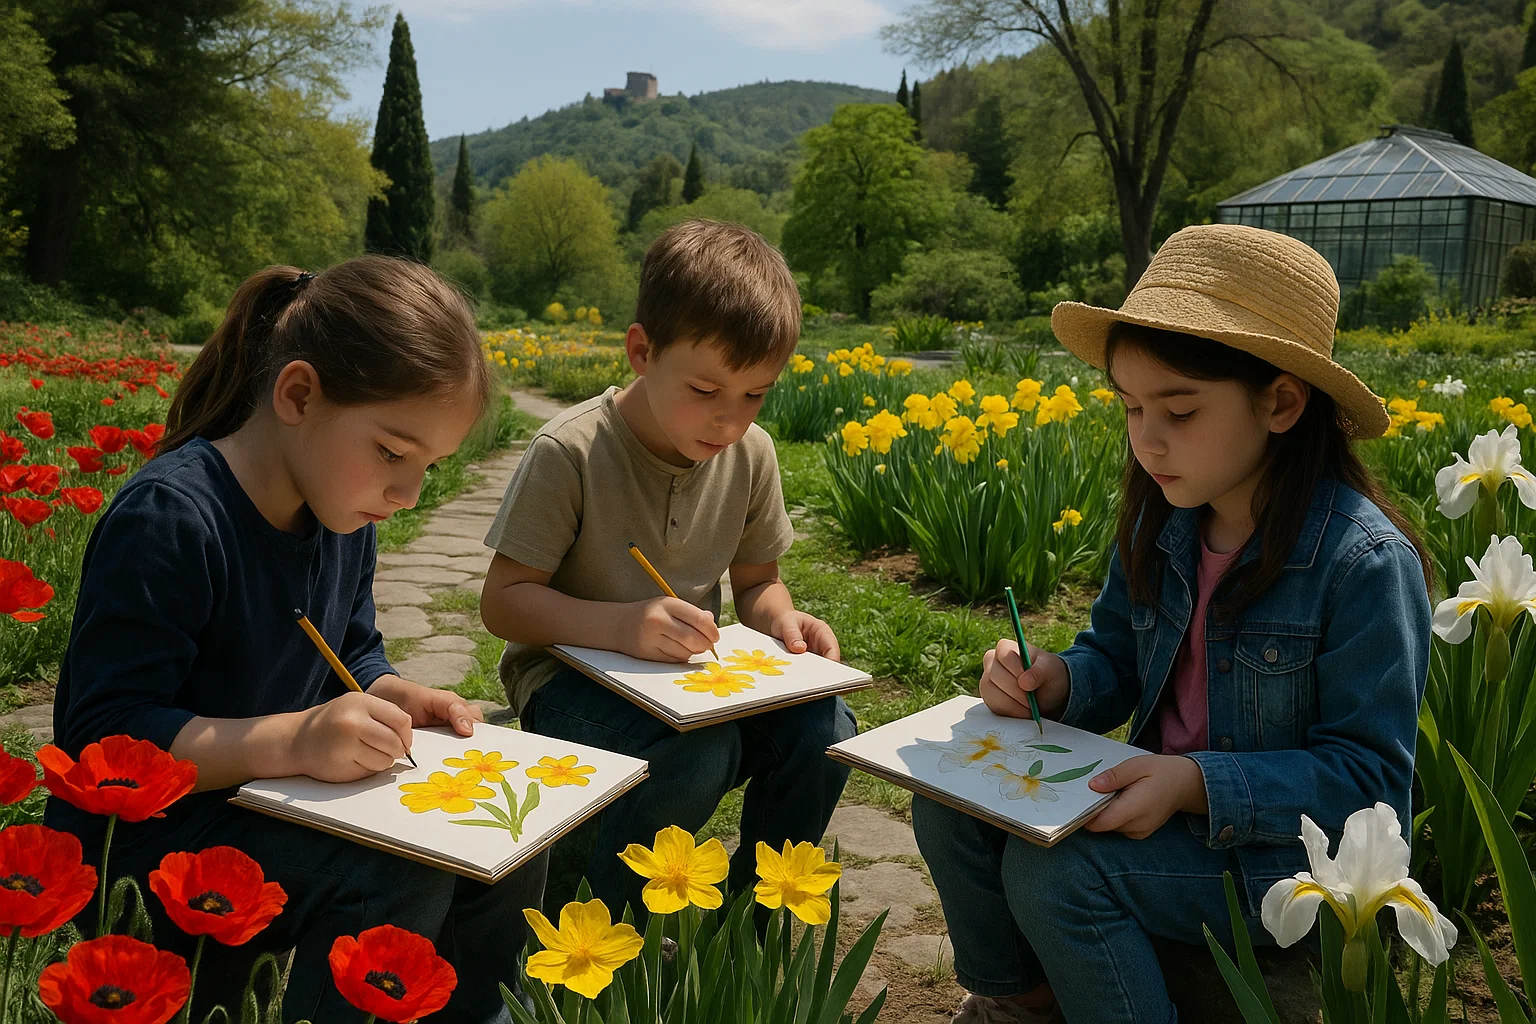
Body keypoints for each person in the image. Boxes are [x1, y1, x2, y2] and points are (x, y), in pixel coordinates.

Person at [914, 224, 1434, 1024]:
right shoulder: (1165, 521)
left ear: (1283, 402)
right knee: (946, 799)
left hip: (1278, 862)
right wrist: (1056, 680)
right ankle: (1026, 999)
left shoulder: (1362, 564)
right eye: (1130, 407)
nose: (1147, 439)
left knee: (1057, 874)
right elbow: (1115, 658)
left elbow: (1370, 787)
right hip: (1158, 817)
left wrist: (1196, 783)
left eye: (1180, 410)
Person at [46, 256, 546, 1024]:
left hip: (268, 804)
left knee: (503, 837)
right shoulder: (172, 520)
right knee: (396, 876)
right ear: (299, 394)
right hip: (144, 849)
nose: (408, 494)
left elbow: (351, 652)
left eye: (430, 466)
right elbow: (104, 739)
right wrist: (297, 739)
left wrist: (389, 690)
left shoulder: (339, 511)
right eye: (391, 452)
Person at [480, 220, 855, 919]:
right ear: (641, 351)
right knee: (695, 754)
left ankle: (755, 911)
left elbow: (757, 582)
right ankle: (611, 929)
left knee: (827, 732)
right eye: (707, 390)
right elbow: (504, 604)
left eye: (755, 395)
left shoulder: (752, 455)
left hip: (694, 683)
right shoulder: (571, 451)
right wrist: (620, 626)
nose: (729, 421)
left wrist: (785, 622)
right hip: (564, 680)